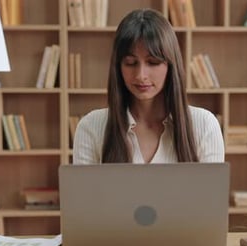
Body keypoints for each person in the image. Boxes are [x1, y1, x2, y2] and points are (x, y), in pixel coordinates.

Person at [72, 8, 224, 164]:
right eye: (131, 63)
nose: (141, 75)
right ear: (118, 67)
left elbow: (211, 189)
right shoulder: (91, 127)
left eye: (153, 62)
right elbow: (83, 189)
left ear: (170, 65)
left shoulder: (204, 125)